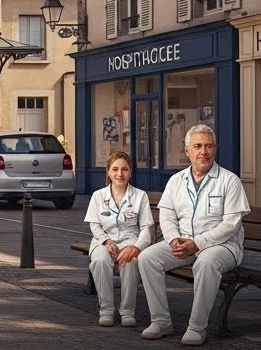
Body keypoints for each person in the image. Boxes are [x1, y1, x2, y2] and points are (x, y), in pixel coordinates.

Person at [137, 124, 250, 346]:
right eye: (197, 146)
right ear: (187, 150)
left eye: (209, 146)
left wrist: (197, 243)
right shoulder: (176, 181)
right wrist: (173, 239)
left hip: (223, 247)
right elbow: (167, 215)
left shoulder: (229, 180)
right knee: (147, 258)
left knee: (205, 263)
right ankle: (161, 322)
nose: (204, 152)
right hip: (184, 243)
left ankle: (197, 327)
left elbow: (231, 224)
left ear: (215, 149)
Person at [85, 150, 153, 327]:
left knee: (130, 261)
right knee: (100, 261)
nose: (119, 174)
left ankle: (127, 311)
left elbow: (146, 228)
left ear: (130, 172)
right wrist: (106, 242)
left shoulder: (140, 196)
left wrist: (136, 247)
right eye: (115, 169)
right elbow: (94, 225)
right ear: (108, 171)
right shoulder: (98, 196)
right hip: (103, 240)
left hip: (130, 240)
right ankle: (106, 310)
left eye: (124, 169)